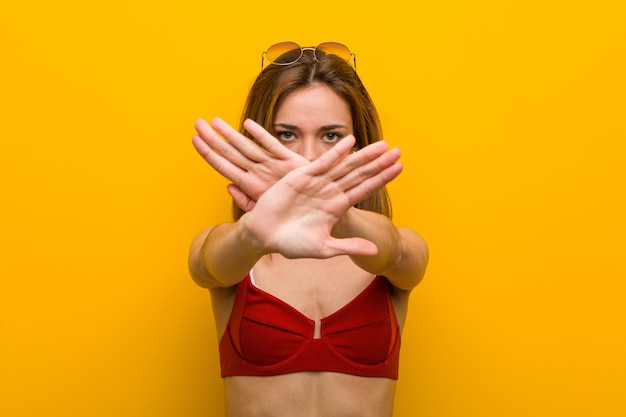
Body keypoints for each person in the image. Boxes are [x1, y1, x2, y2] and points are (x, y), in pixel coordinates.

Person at [189, 41, 429, 417]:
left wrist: (339, 215)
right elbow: (206, 266)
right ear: (259, 143)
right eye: (287, 134)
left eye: (331, 135)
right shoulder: (235, 248)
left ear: (357, 146)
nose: (309, 157)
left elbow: (399, 253)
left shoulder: (389, 250)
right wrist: (254, 234)